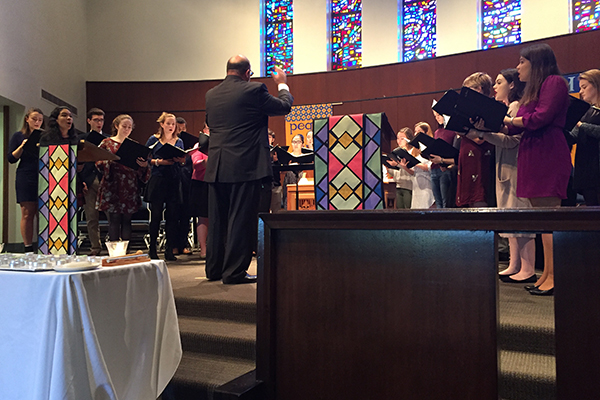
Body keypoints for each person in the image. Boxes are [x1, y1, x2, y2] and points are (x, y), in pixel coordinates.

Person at [204, 55, 293, 284]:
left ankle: (214, 269)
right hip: (244, 165)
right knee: (241, 219)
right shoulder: (253, 91)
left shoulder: (211, 95)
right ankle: (234, 272)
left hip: (217, 165)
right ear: (247, 73)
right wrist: (282, 83)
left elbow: (212, 124)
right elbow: (284, 106)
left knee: (218, 219)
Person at [504, 43, 571, 296]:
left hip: (547, 152)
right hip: (534, 151)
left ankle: (555, 275)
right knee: (543, 219)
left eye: (522, 61)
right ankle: (547, 274)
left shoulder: (554, 82)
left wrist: (510, 120)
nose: (518, 66)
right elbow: (517, 126)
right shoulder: (533, 88)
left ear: (537, 62)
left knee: (550, 216)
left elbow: (541, 117)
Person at [466, 69, 536, 283]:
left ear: (512, 85)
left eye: (498, 82)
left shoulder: (515, 107)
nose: (494, 87)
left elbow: (512, 141)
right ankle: (515, 263)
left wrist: (483, 134)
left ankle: (528, 267)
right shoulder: (506, 108)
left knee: (520, 217)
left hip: (515, 167)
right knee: (510, 217)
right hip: (504, 166)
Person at [96, 115, 150, 242]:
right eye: (124, 126)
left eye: (129, 127)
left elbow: (141, 169)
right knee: (114, 219)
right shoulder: (107, 143)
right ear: (116, 126)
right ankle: (114, 253)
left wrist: (144, 165)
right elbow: (97, 161)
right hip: (112, 184)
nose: (127, 129)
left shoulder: (133, 145)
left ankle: (125, 252)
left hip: (129, 185)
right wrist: (110, 161)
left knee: (127, 220)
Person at [145, 112, 186, 261]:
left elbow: (183, 160)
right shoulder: (153, 139)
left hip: (173, 179)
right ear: (162, 124)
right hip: (158, 179)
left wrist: (180, 160)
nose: (171, 126)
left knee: (172, 216)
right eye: (168, 123)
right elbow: (145, 159)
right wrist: (159, 162)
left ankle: (170, 249)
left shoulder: (179, 141)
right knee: (155, 215)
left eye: (173, 124)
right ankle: (152, 250)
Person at [454, 72, 496, 208]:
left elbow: (481, 138)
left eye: (467, 90)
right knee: (469, 200)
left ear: (478, 89)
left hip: (480, 156)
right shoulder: (468, 109)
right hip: (467, 157)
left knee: (479, 196)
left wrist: (465, 132)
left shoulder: (488, 107)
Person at [7, 108, 45, 252]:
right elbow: (11, 158)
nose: (37, 122)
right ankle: (28, 247)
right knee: (27, 213)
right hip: (26, 174)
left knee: (42, 214)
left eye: (40, 120)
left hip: (43, 174)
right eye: (34, 119)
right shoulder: (19, 135)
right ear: (27, 119)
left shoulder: (45, 136)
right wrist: (22, 146)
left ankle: (42, 246)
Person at [78, 108, 106, 255]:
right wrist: (81, 180)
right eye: (96, 120)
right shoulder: (82, 139)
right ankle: (95, 247)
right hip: (89, 179)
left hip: (105, 179)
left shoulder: (108, 139)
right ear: (89, 121)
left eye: (101, 120)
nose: (99, 123)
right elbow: (78, 161)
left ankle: (114, 245)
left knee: (111, 215)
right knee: (91, 216)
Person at [570, 69, 600, 205]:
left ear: (596, 85)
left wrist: (582, 125)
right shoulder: (586, 111)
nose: (581, 92)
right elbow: (573, 136)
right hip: (586, 169)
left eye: (584, 87)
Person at [398, 122, 435, 209]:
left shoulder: (431, 146)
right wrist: (404, 166)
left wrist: (416, 163)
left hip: (427, 184)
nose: (415, 134)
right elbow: (413, 172)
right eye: (415, 131)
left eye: (419, 131)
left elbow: (430, 167)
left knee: (426, 209)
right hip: (417, 185)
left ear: (425, 133)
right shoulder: (415, 149)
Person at [173, 116, 194, 256]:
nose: (180, 131)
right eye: (178, 129)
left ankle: (184, 244)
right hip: (174, 179)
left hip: (187, 180)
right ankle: (174, 245)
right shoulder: (173, 142)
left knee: (186, 214)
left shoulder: (189, 143)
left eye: (183, 129)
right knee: (174, 214)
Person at [429, 110, 458, 208]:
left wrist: (444, 162)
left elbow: (453, 150)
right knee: (438, 201)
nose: (437, 118)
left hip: (446, 168)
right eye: (435, 116)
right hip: (435, 167)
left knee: (446, 201)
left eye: (439, 115)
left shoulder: (452, 131)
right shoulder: (437, 132)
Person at [189, 140, 209, 259]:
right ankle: (204, 250)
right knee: (203, 217)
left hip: (216, 183)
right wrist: (208, 161)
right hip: (201, 184)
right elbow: (196, 165)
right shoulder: (199, 146)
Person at [386, 128, 414, 209]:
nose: (399, 141)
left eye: (402, 138)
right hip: (398, 185)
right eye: (398, 138)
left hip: (409, 185)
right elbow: (395, 172)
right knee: (399, 209)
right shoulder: (396, 151)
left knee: (408, 208)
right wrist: (389, 167)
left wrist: (400, 165)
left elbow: (413, 170)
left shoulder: (412, 152)